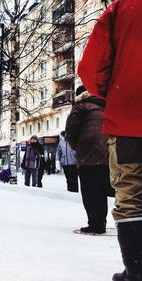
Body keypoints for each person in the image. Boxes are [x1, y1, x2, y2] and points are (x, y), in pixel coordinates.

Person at [78, 1, 142, 278]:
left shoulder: (123, 7)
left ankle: (137, 272)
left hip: (129, 117)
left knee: (130, 194)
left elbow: (91, 70)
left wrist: (117, 93)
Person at [66, 86, 113, 235]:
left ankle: (95, 224)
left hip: (88, 153)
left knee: (90, 190)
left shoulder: (80, 106)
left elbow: (71, 130)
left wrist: (76, 146)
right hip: (106, 152)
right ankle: (101, 222)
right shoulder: (105, 105)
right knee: (101, 190)